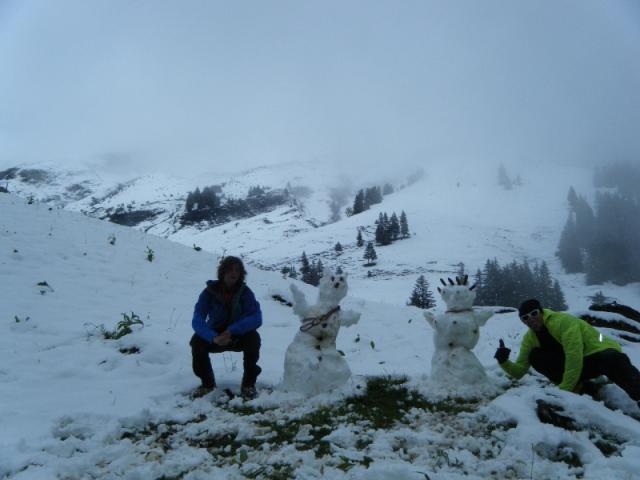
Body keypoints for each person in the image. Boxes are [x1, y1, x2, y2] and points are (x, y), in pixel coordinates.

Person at [495, 298, 640, 406]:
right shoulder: (529, 339)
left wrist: (564, 391)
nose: (531, 319)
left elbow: (574, 355)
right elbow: (519, 372)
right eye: (525, 318)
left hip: (595, 353)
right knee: (535, 356)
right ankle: (582, 386)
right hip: (576, 364)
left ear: (541, 311)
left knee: (612, 358)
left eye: (534, 313)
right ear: (523, 322)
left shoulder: (563, 322)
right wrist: (503, 361)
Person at [190, 256, 262, 399]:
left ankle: (248, 385)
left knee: (253, 338)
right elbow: (197, 320)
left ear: (241, 274)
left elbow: (256, 317)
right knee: (197, 342)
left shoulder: (245, 292)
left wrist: (231, 331)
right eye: (229, 270)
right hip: (215, 335)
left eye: (237, 270)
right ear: (222, 272)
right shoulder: (209, 292)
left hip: (237, 335)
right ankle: (207, 385)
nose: (233, 273)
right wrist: (213, 337)